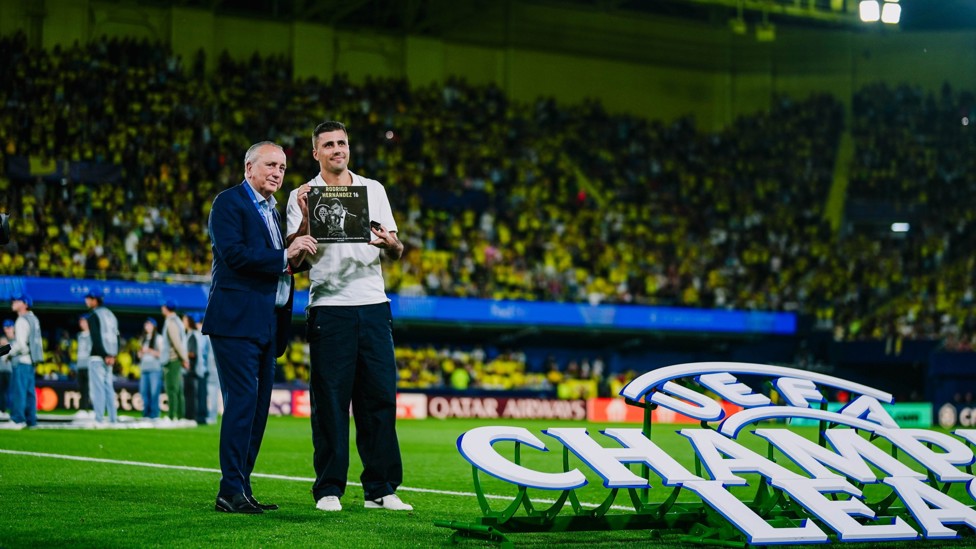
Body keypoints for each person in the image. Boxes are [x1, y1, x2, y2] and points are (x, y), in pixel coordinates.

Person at [285, 121, 412, 512]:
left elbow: (396, 250)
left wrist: (390, 243)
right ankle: (328, 489)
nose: (337, 149)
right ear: (316, 153)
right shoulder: (301, 195)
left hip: (373, 304)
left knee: (379, 400)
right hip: (328, 306)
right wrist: (306, 219)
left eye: (341, 142)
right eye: (328, 144)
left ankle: (381, 489)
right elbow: (294, 262)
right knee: (330, 402)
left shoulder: (373, 189)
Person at [203, 141, 317, 514]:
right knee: (242, 404)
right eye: (270, 165)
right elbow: (234, 254)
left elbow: (287, 260)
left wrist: (303, 225)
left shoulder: (271, 210)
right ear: (249, 167)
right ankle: (229, 490)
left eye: (282, 168)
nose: (277, 173)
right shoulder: (228, 203)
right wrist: (284, 253)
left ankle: (242, 487)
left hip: (269, 321)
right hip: (236, 320)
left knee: (257, 410)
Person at [4, 294, 43, 429]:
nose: (13, 302)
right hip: (31, 360)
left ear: (24, 304)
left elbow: (20, 345)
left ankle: (17, 419)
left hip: (21, 360)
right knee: (29, 392)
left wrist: (5, 353)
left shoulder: (21, 320)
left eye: (17, 300)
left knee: (19, 391)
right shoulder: (34, 319)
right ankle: (31, 420)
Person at [85, 289, 120, 425]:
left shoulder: (94, 315)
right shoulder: (111, 315)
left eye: (89, 298)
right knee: (109, 388)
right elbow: (117, 336)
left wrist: (104, 354)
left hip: (98, 356)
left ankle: (99, 418)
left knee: (98, 388)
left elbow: (96, 337)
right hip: (110, 356)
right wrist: (113, 355)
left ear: (95, 300)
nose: (86, 301)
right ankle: (113, 418)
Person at [160, 300, 189, 421]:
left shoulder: (171, 322)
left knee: (172, 388)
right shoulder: (177, 321)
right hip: (176, 359)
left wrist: (184, 358)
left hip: (172, 359)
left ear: (166, 308)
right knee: (177, 388)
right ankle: (180, 415)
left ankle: (172, 415)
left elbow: (176, 343)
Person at [137, 317, 163, 420]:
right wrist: (140, 353)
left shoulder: (159, 338)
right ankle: (146, 413)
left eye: (149, 324)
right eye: (146, 324)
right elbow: (139, 355)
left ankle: (154, 414)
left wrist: (149, 351)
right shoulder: (143, 339)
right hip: (144, 369)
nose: (147, 326)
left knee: (154, 392)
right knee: (144, 392)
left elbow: (161, 354)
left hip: (154, 369)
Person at [75, 314, 93, 418]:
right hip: (80, 365)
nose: (81, 324)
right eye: (80, 322)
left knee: (90, 388)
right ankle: (83, 409)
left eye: (84, 321)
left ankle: (92, 409)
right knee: (82, 388)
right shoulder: (79, 335)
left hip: (89, 365)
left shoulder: (92, 335)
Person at [0, 319, 14, 420]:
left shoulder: (11, 344)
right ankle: (2, 410)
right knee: (2, 392)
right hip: (1, 371)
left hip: (9, 371)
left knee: (7, 392)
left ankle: (5, 410)